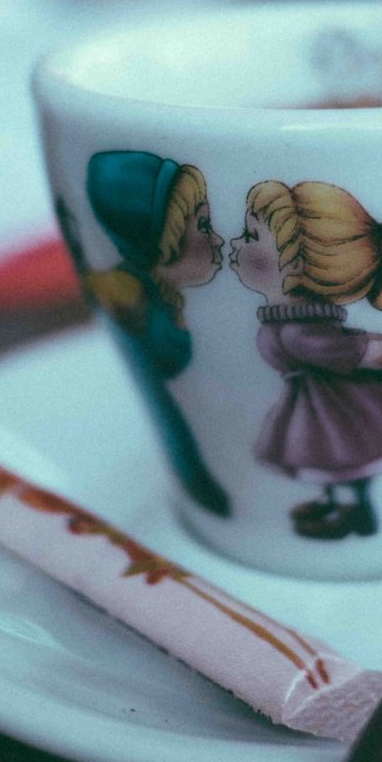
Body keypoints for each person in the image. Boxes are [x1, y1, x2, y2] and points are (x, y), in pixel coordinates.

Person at [229, 179, 382, 541]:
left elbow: (367, 351)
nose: (235, 244)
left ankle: (354, 510)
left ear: (295, 264)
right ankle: (336, 503)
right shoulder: (292, 323)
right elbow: (361, 344)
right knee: (327, 459)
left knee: (342, 459)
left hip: (341, 411)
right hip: (317, 407)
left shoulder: (299, 333)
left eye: (250, 236)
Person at [81, 150, 231, 517]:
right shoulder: (135, 304)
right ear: (165, 237)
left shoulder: (153, 298)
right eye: (203, 225)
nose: (218, 240)